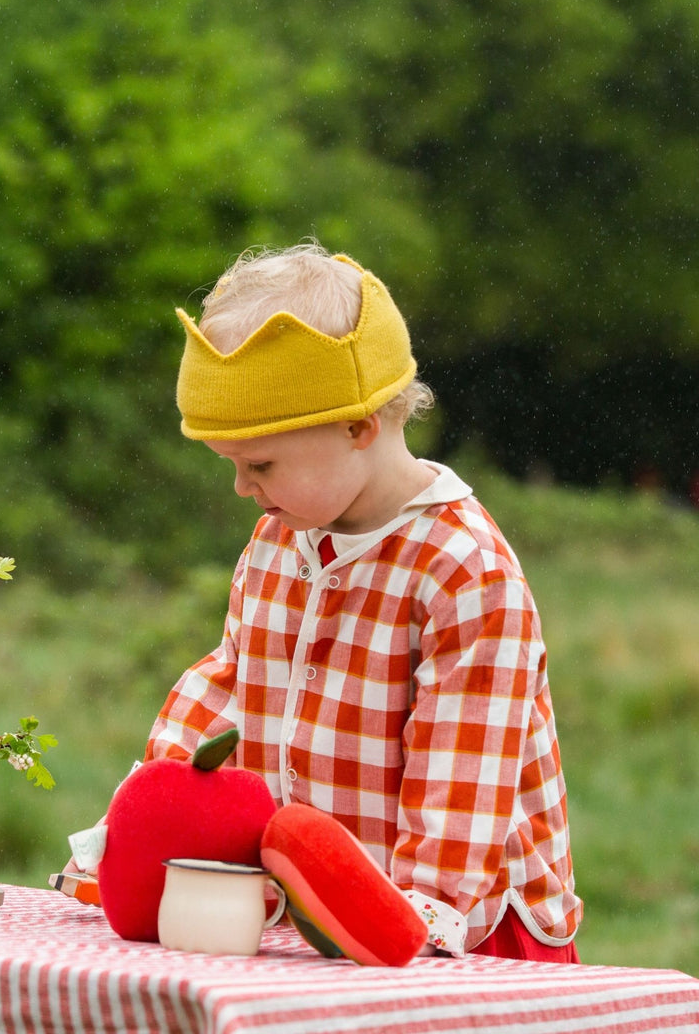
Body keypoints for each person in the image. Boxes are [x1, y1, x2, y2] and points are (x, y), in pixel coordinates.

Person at [146, 242, 581, 960]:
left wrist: (420, 916)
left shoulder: (462, 569)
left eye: (260, 465)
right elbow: (231, 683)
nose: (242, 488)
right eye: (231, 465)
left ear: (358, 426)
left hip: (464, 936)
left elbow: (464, 768)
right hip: (322, 922)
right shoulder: (279, 542)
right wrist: (152, 818)